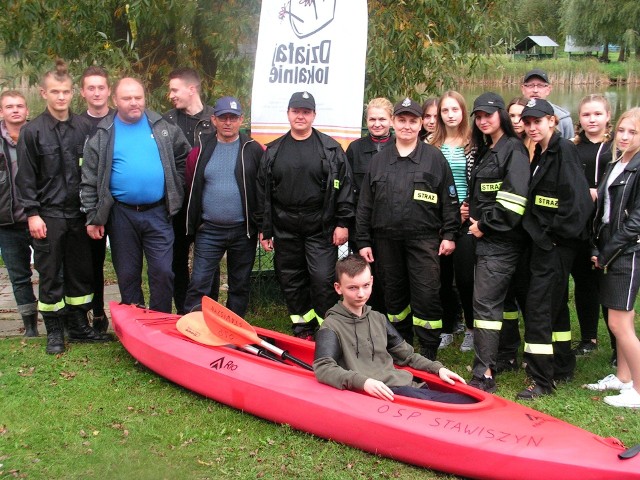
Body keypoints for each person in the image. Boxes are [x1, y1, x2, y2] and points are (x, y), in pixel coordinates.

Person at [16, 60, 108, 354]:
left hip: (79, 215)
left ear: (73, 94)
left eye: (66, 92)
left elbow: (93, 173)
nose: (61, 97)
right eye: (55, 92)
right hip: (49, 216)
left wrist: (93, 213)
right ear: (43, 93)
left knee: (80, 272)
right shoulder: (33, 132)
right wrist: (33, 214)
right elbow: (26, 177)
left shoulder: (84, 128)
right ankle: (54, 331)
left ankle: (79, 326)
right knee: (51, 273)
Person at [357, 97, 459, 360]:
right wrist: (364, 241)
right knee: (394, 296)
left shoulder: (434, 158)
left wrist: (449, 234)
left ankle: (428, 350)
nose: (406, 126)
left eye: (412, 121)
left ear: (421, 124)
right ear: (393, 123)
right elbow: (365, 205)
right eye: (401, 120)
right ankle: (401, 345)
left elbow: (449, 198)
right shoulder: (379, 162)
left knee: (427, 294)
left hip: (424, 240)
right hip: (385, 241)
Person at [81, 77, 191, 313]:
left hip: (159, 213)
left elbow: (185, 158)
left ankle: (160, 320)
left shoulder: (162, 128)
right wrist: (93, 217)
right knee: (128, 273)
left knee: (163, 271)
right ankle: (135, 319)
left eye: (138, 97)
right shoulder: (103, 134)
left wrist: (176, 187)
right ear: (115, 100)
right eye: (127, 98)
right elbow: (89, 179)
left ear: (145, 98)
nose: (133, 102)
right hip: (121, 215)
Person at [256, 91, 354, 339]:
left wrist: (342, 223)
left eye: (306, 111)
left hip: (320, 227)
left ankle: (328, 327)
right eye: (296, 111)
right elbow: (263, 193)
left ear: (314, 115)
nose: (300, 116)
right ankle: (302, 327)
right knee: (292, 279)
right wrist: (265, 230)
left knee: (322, 279)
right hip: (285, 226)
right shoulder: (274, 151)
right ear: (288, 113)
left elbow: (344, 188)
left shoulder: (331, 149)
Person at [314, 254, 474, 404]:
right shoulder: (331, 325)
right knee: (456, 405)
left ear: (371, 281)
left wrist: (437, 368)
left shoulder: (378, 318)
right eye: (353, 288)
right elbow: (323, 368)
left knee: (467, 399)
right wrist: (363, 382)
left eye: (366, 285)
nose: (361, 294)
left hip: (405, 387)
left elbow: (407, 356)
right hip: (385, 394)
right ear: (338, 288)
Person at [517, 98, 593, 399]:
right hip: (546, 243)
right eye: (528, 122)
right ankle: (562, 365)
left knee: (538, 309)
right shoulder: (542, 153)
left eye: (538, 121)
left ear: (552, 121)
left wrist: (554, 238)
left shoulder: (564, 151)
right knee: (557, 306)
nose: (532, 127)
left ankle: (541, 380)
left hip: (556, 245)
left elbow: (578, 203)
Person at [466, 93, 530, 393]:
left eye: (488, 115)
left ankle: (484, 373)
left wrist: (483, 225)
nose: (483, 120)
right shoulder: (488, 149)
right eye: (478, 116)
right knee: (502, 304)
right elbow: (488, 193)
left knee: (485, 307)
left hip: (500, 241)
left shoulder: (513, 149)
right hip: (491, 240)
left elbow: (514, 202)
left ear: (501, 115)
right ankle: (506, 356)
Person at [183, 96, 263, 317]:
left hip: (243, 231)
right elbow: (192, 186)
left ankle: (232, 328)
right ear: (214, 120)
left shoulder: (253, 149)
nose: (228, 122)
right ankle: (194, 325)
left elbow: (262, 188)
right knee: (199, 282)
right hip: (209, 230)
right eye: (223, 117)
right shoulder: (199, 151)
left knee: (239, 284)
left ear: (241, 120)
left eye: (233, 118)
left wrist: (262, 225)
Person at [586, 107, 640, 408]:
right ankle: (623, 377)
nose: (624, 136)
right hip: (609, 244)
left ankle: (639, 390)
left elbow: (635, 223)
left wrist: (608, 252)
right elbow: (604, 212)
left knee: (621, 323)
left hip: (627, 251)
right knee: (616, 317)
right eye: (621, 130)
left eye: (632, 132)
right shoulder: (617, 162)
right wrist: (597, 246)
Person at [164, 67, 216, 314]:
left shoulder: (216, 121)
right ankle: (185, 312)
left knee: (209, 262)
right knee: (176, 260)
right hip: (176, 205)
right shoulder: (165, 122)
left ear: (192, 88)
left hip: (207, 204)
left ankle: (211, 312)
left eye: (175, 89)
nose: (170, 94)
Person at [429, 91, 474, 352]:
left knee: (466, 278)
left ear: (462, 112)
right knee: (441, 277)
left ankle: (470, 328)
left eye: (455, 109)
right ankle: (447, 327)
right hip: (439, 218)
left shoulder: (473, 143)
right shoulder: (431, 144)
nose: (450, 115)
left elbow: (477, 179)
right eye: (445, 111)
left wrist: (467, 208)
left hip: (466, 218)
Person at [571, 94, 614, 358]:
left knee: (608, 286)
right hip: (579, 226)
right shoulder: (573, 148)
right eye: (587, 115)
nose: (592, 119)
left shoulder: (616, 148)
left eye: (597, 114)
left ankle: (618, 344)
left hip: (607, 226)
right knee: (584, 283)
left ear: (608, 116)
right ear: (580, 119)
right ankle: (589, 338)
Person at [345, 97, 395, 313]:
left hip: (392, 225)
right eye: (372, 119)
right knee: (364, 274)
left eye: (382, 119)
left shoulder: (401, 145)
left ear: (391, 120)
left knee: (390, 274)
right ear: (366, 120)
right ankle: (365, 314)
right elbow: (347, 189)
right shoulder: (355, 149)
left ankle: (391, 319)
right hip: (362, 226)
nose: (377, 123)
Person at [79, 66, 114, 333]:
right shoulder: (77, 126)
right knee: (93, 264)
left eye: (101, 87)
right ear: (83, 92)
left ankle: (132, 311)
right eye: (91, 87)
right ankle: (98, 312)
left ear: (109, 91)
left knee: (127, 263)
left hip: (122, 204)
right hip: (92, 205)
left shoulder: (121, 121)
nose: (96, 92)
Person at [0, 90, 38, 337]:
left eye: (19, 106)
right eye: (9, 106)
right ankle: (31, 325)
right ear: (1, 112)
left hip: (39, 218)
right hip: (7, 220)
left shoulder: (36, 135)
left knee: (50, 272)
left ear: (27, 110)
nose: (15, 110)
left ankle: (58, 320)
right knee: (19, 276)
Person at [521, 69, 574, 140]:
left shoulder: (563, 119)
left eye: (540, 86)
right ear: (523, 89)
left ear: (548, 89)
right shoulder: (514, 115)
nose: (535, 90)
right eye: (530, 85)